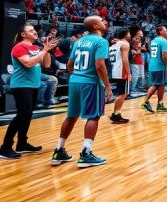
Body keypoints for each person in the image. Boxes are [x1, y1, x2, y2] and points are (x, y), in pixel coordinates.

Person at [51, 16, 113, 167]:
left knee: (71, 116)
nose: (105, 22)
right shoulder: (101, 41)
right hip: (91, 82)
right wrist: (107, 86)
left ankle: (59, 150)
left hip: (75, 81)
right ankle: (86, 154)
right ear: (95, 26)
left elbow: (69, 64)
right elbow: (100, 65)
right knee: (93, 116)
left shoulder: (79, 41)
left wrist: (77, 75)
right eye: (101, 21)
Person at [0, 25, 58, 160]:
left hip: (33, 85)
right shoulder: (19, 47)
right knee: (22, 114)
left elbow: (47, 65)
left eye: (34, 30)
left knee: (27, 115)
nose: (35, 32)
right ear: (23, 34)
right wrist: (44, 50)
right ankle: (5, 147)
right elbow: (28, 63)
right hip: (21, 85)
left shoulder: (35, 48)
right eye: (31, 30)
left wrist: (47, 50)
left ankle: (22, 144)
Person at [140, 26, 167, 114]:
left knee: (161, 85)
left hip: (152, 64)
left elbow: (151, 51)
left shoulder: (154, 40)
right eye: (165, 30)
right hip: (159, 65)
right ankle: (145, 101)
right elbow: (164, 55)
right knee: (156, 85)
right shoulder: (164, 41)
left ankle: (160, 105)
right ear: (160, 32)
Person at [108, 29, 131, 124]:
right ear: (125, 35)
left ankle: (116, 113)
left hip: (114, 70)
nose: (130, 35)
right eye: (128, 33)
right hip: (121, 71)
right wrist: (128, 73)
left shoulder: (113, 45)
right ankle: (116, 114)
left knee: (122, 93)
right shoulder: (125, 44)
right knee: (123, 94)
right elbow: (125, 59)